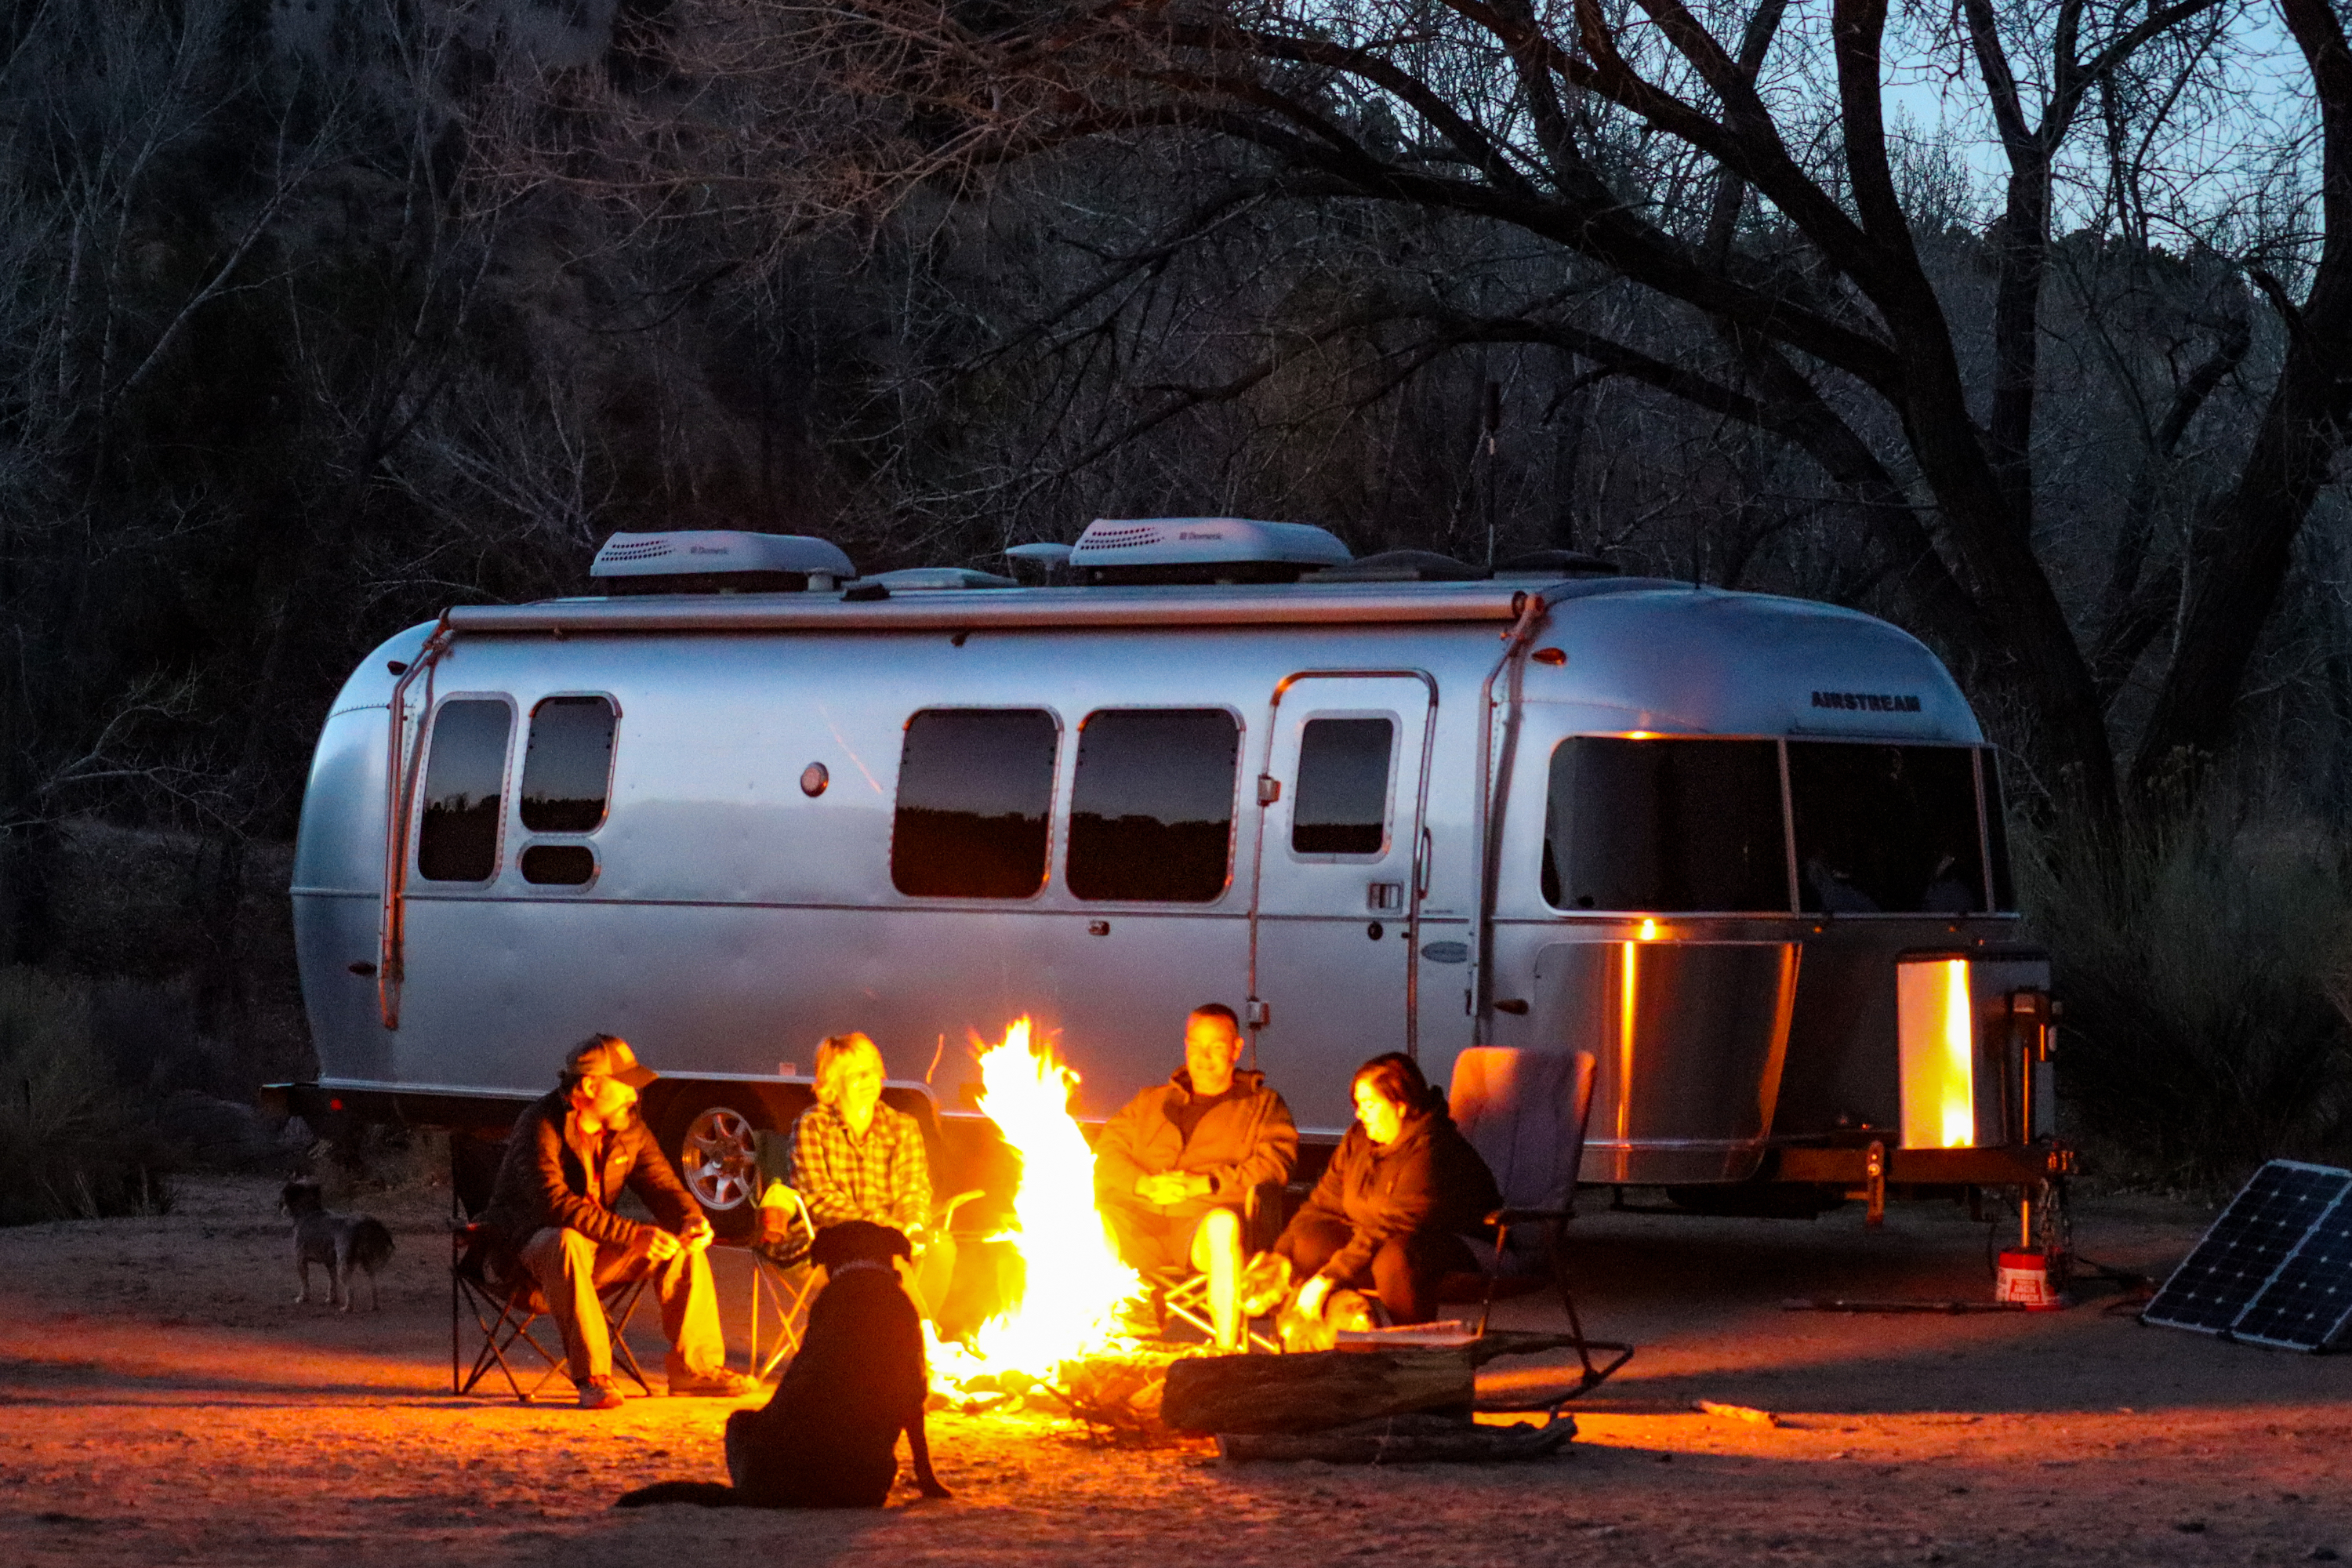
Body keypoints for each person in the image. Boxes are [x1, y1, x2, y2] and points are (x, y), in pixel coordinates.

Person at [481, 1034, 757, 1410]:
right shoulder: (539, 1124)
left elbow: (664, 1187)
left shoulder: (630, 1129)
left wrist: (691, 1220)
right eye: (626, 1085)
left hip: (594, 1261)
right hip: (523, 1262)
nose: (634, 1095)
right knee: (566, 1241)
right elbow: (555, 1204)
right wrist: (632, 1235)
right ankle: (593, 1378)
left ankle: (696, 1369)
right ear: (590, 1086)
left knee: (679, 1244)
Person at [1094, 1004, 1298, 1348]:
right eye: (1196, 1046)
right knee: (1087, 1222)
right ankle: (1102, 1347)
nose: (1204, 1058)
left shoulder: (1262, 1105)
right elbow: (1106, 1153)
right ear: (1185, 1046)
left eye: (1216, 1047)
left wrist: (1205, 1184)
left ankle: (1225, 1351)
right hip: (1136, 1223)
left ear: (1236, 1049)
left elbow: (1276, 1163)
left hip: (1199, 1227)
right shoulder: (1150, 1101)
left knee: (1223, 1226)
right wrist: (1142, 1184)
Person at [1270, 1051, 1501, 1329]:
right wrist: (1278, 1259)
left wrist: (1326, 1278)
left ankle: (1414, 1349)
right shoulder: (1358, 1140)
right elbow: (1321, 1204)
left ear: (1400, 1105)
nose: (1359, 1113)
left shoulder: (1433, 1149)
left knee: (1395, 1256)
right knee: (1310, 1240)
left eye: (1369, 1103)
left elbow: (1392, 1224)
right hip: (1377, 1242)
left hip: (1459, 1246)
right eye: (1357, 1103)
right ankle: (1347, 1333)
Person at [788, 1033, 956, 1319]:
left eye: (873, 1070)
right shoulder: (812, 1126)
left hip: (893, 1234)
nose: (869, 1080)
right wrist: (886, 1229)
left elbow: (913, 1188)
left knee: (940, 1249)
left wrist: (913, 1225)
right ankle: (920, 1337)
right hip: (826, 1238)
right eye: (857, 1074)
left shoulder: (903, 1127)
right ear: (832, 1083)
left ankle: (908, 1340)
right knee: (886, 1256)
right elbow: (819, 1199)